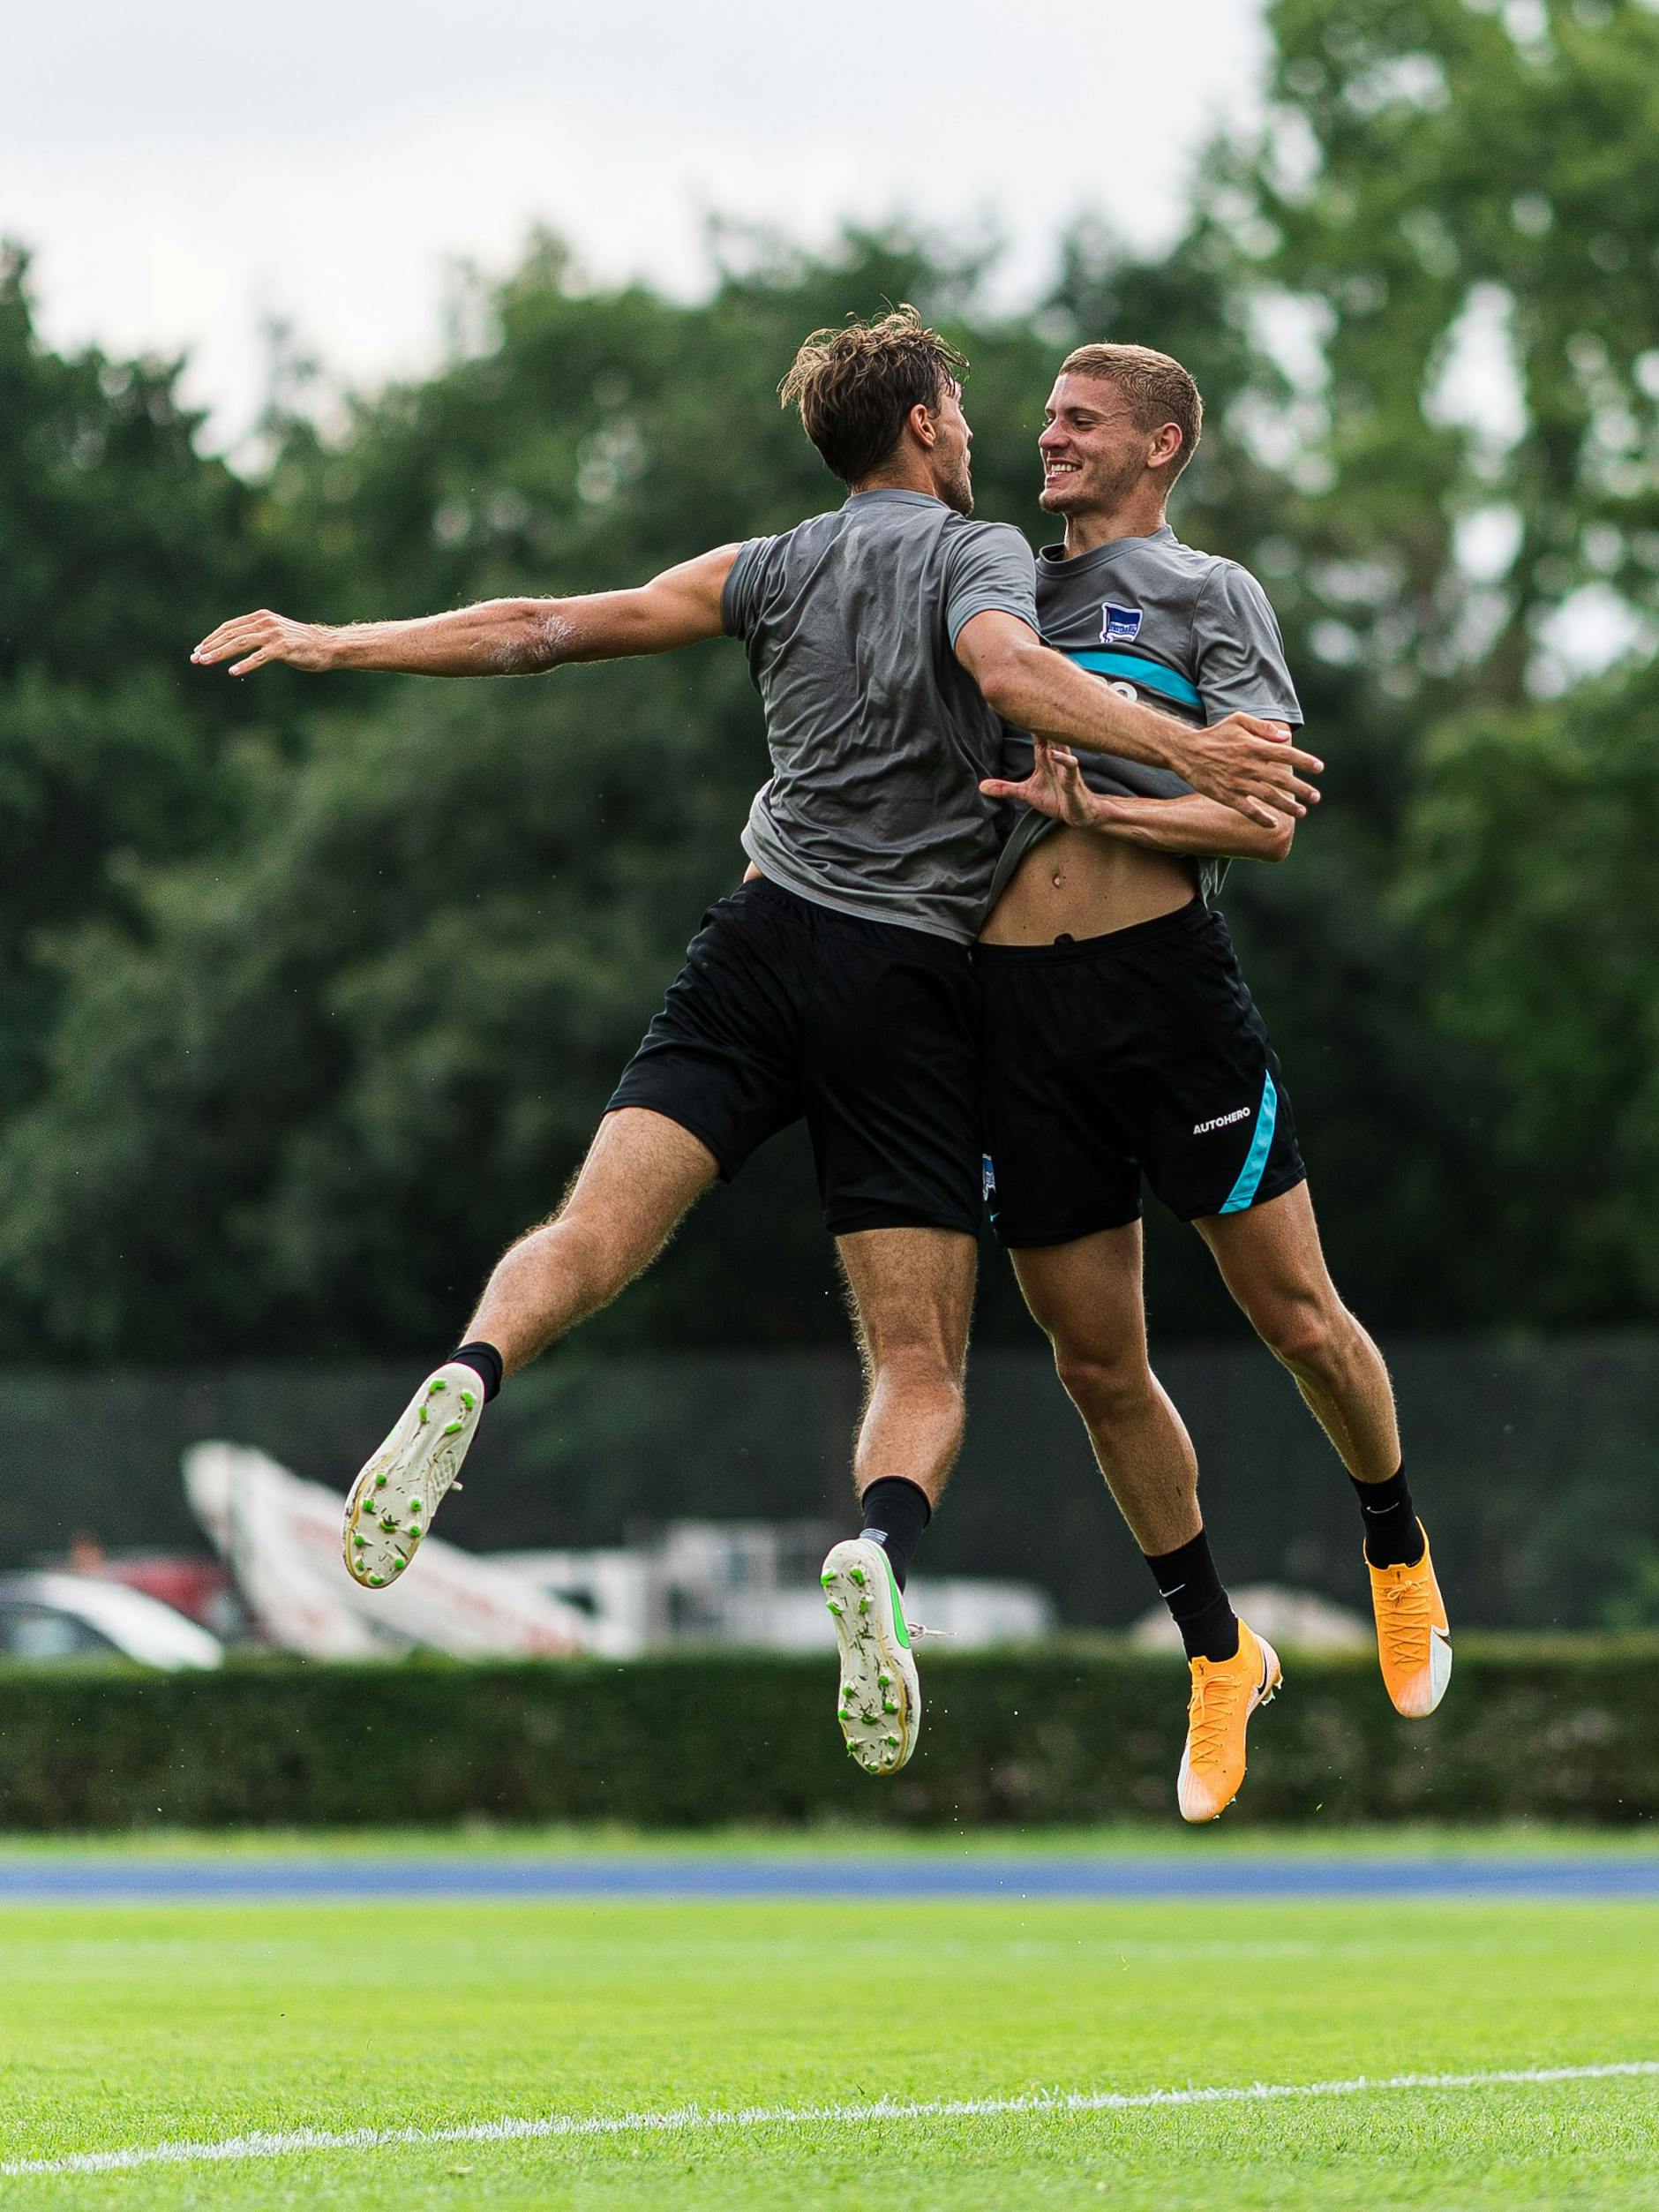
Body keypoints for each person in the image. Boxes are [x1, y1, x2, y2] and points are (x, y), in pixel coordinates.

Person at [191, 311, 1321, 1780]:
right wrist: (1194, 747)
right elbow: (1014, 672)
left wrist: (338, 639)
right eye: (968, 409)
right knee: (919, 1362)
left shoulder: (774, 564)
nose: (987, 432)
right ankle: (875, 1551)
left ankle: (470, 1369)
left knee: (588, 1233)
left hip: (754, 941)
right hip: (899, 987)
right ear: (922, 426)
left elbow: (548, 626)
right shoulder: (978, 556)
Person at [976, 342, 1449, 1823]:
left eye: (1081, 419)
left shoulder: (1211, 597)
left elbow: (1262, 821)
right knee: (1095, 1364)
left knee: (1296, 1315)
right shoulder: (990, 587)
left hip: (1164, 999)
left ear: (1163, 444)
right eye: (1046, 415)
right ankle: (1217, 1651)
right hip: (1014, 1016)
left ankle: (1397, 1547)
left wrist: (1098, 790)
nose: (1047, 436)